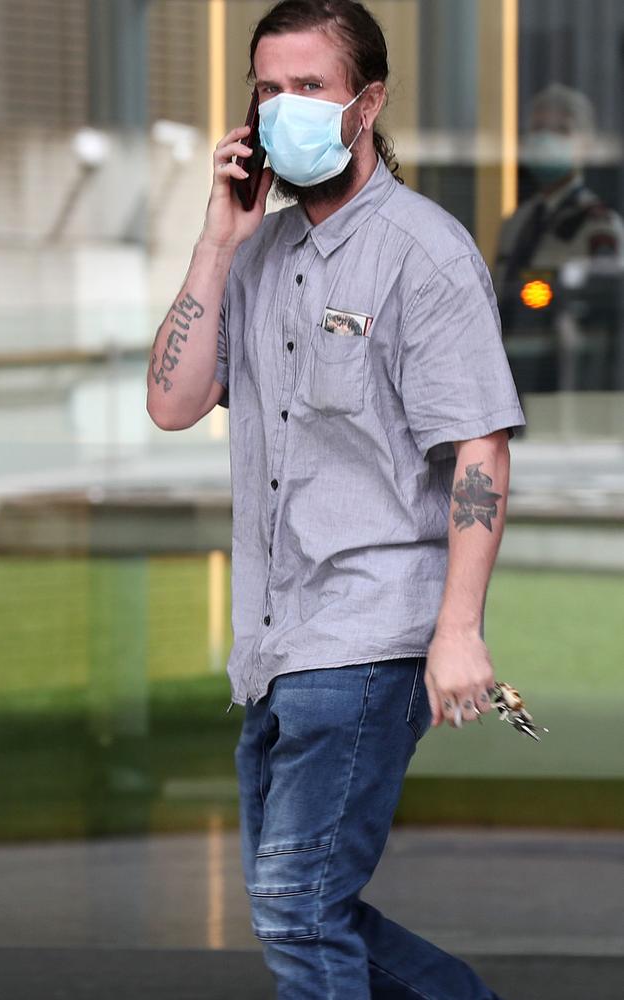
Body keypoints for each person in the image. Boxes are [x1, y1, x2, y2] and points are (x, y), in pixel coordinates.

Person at [147, 2, 525, 996]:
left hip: (368, 634)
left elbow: (479, 447)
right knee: (306, 903)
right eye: (267, 90)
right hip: (274, 643)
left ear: (368, 102)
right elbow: (172, 402)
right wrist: (216, 241)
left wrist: (459, 632)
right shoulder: (257, 257)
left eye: (308, 88)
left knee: (293, 906)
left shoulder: (422, 252)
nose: (283, 110)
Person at [493, 82, 624, 394]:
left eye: (561, 130)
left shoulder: (599, 227)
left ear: (587, 143)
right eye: (538, 128)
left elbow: (602, 315)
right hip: (506, 368)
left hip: (562, 376)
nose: (546, 139)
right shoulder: (516, 223)